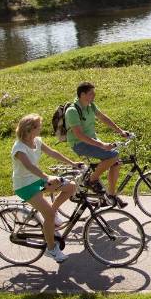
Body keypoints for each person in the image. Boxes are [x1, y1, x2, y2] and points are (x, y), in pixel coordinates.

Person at [12, 113, 79, 264]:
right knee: (47, 215)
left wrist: (72, 163)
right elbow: (28, 166)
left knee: (71, 187)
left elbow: (53, 153)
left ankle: (53, 214)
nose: (41, 128)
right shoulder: (19, 148)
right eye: (39, 126)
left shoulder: (36, 141)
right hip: (25, 186)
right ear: (30, 129)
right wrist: (46, 177)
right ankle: (51, 249)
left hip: (37, 179)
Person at [65, 82, 131, 202]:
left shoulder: (91, 106)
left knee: (116, 162)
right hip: (79, 144)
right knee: (113, 155)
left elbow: (103, 118)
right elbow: (79, 135)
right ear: (82, 94)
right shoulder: (72, 111)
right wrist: (102, 145)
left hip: (92, 140)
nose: (94, 95)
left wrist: (120, 131)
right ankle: (91, 180)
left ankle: (111, 195)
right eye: (91, 93)